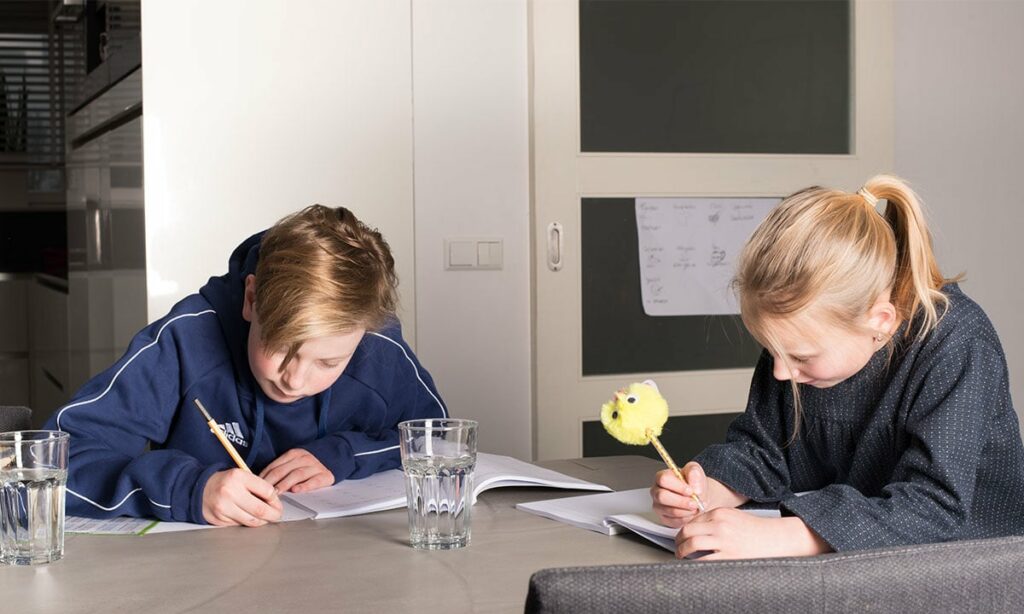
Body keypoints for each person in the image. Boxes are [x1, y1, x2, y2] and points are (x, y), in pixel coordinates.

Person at [651, 175, 1024, 559]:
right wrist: (709, 488)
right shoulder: (799, 341)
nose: (781, 373)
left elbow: (932, 506)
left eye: (799, 357)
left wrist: (780, 537)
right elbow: (763, 450)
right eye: (770, 350)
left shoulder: (957, 342)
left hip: (972, 567)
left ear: (879, 320)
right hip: (854, 563)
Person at [47, 205, 447, 527]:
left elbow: (437, 438)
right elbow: (52, 462)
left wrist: (346, 453)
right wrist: (186, 489)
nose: (295, 380)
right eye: (282, 349)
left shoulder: (376, 343)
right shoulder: (187, 338)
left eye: (328, 362)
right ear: (251, 299)